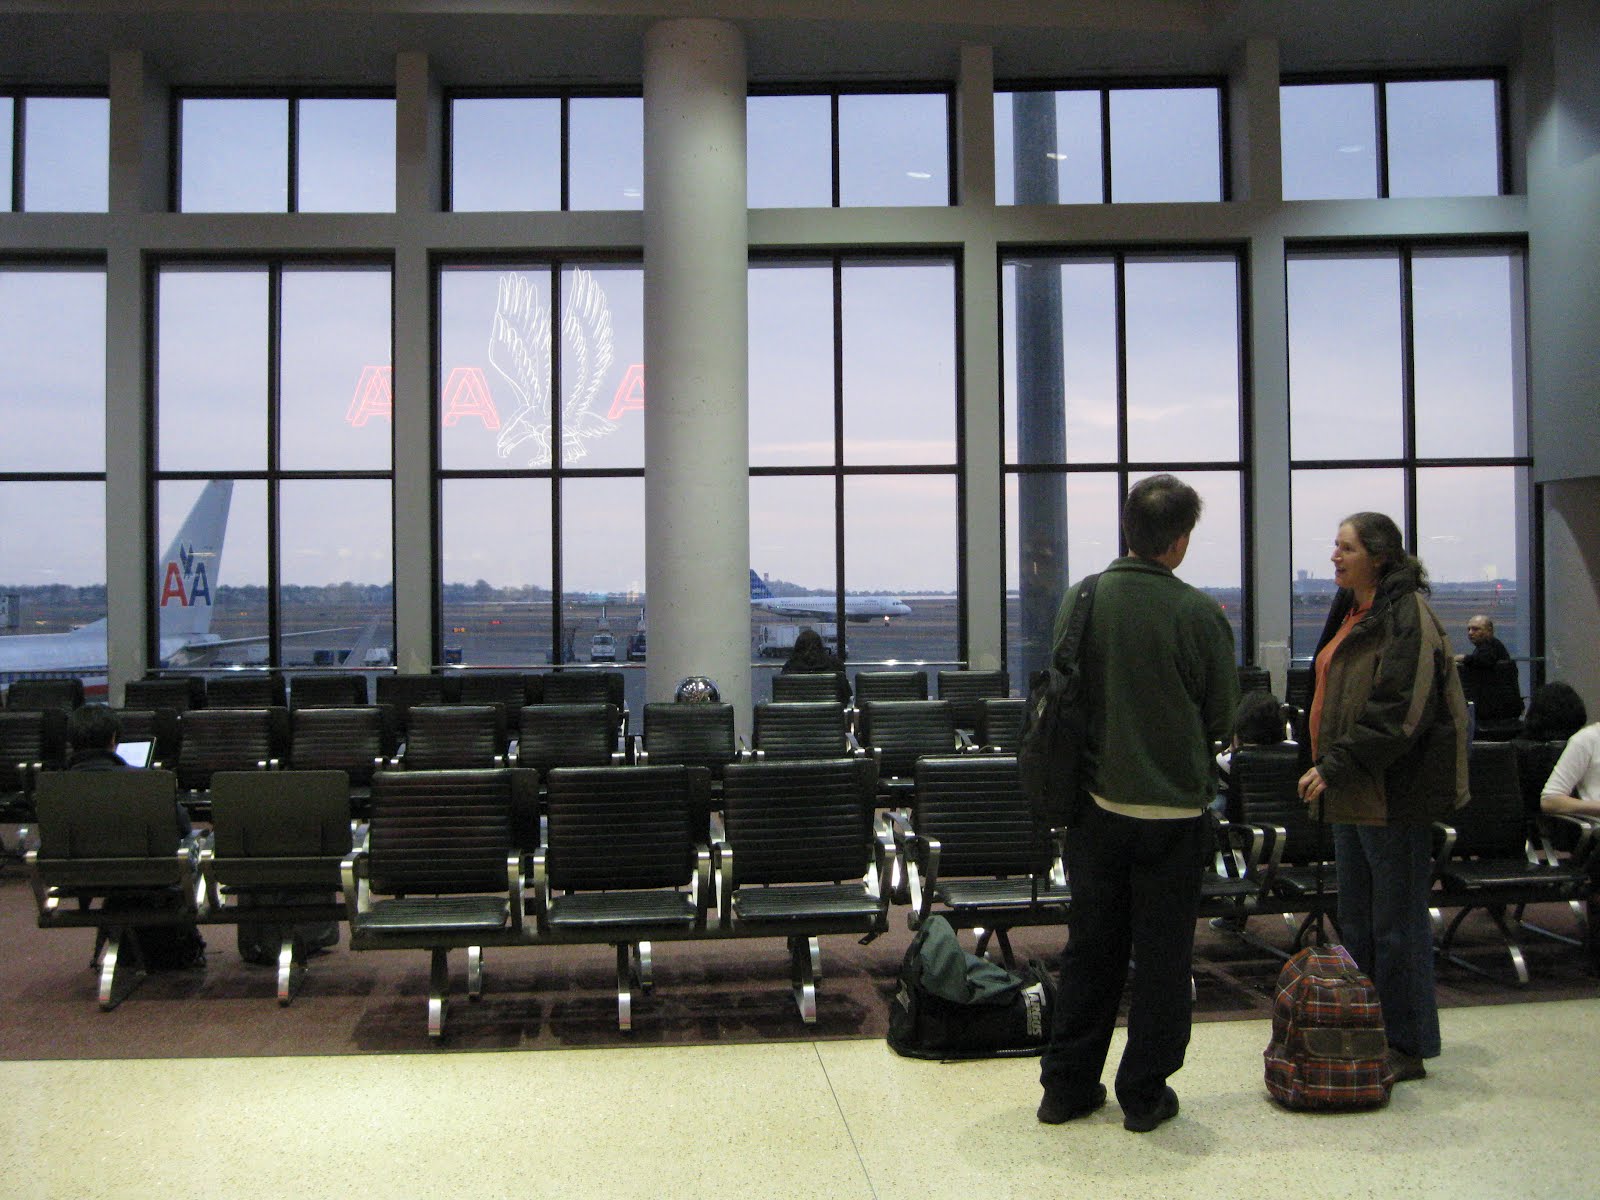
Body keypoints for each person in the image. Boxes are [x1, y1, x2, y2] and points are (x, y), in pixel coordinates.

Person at [1036, 474, 1238, 1134]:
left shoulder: (1083, 599)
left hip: (1095, 809)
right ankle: (1144, 1094)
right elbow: (1221, 716)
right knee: (1162, 961)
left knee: (1090, 949)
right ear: (1179, 543)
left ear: (1128, 531)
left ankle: (1066, 1087)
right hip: (1174, 818)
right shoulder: (1199, 615)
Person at [1295, 512, 1468, 1085]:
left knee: (1397, 925)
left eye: (1345, 548)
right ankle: (1366, 1029)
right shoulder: (1351, 610)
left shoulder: (1406, 616)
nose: (1335, 557)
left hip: (1392, 793)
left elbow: (1401, 711)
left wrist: (1337, 763)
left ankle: (1408, 1043)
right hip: (1351, 789)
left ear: (1380, 555)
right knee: (1360, 923)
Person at [67, 704, 191, 837]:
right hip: (138, 857)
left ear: (71, 740)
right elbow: (182, 827)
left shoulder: (50, 786)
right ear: (113, 737)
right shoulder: (149, 781)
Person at [1455, 615, 1524, 722]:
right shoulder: (1488, 646)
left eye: (1476, 629)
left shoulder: (1490, 645)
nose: (1470, 633)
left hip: (1493, 708)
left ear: (1489, 630)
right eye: (1469, 629)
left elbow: (1484, 660)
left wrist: (1463, 658)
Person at [780, 627, 851, 704]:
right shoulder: (836, 665)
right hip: (829, 714)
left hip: (797, 714)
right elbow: (846, 697)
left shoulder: (789, 668)